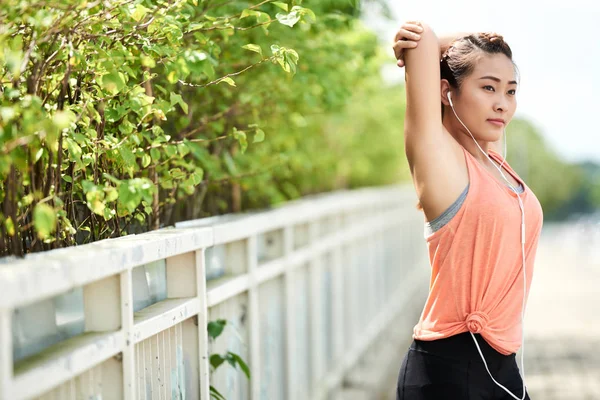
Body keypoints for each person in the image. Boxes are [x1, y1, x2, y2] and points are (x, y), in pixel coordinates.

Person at [391, 21, 544, 400]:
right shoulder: (440, 161)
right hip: (447, 370)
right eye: (487, 87)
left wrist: (479, 50)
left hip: (501, 368)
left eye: (510, 91)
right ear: (447, 92)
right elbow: (423, 40)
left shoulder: (493, 162)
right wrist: (453, 46)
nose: (501, 103)